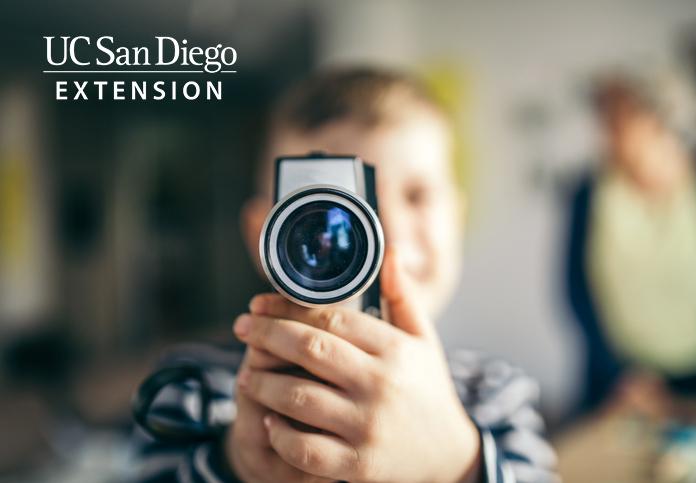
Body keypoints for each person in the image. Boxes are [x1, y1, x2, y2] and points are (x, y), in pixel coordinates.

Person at [133, 67, 558, 483]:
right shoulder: (191, 386)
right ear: (263, 236)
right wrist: (236, 467)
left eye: (417, 195)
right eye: (334, 206)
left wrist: (457, 464)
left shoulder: (495, 394)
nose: (385, 228)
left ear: (457, 218)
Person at [565, 62, 696, 416]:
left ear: (658, 121)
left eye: (616, 120)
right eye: (602, 120)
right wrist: (620, 374)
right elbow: (575, 289)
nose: (604, 133)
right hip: (620, 385)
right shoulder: (588, 192)